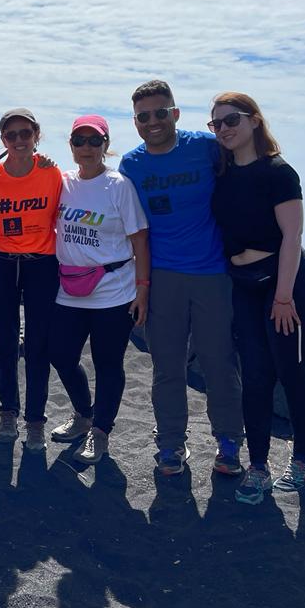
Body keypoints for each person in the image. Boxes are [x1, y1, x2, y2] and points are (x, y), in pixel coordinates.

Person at [119, 80, 244, 477]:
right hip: (162, 278)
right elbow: (123, 222)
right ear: (135, 122)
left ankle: (229, 442)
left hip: (212, 274)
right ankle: (171, 443)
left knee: (219, 363)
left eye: (160, 112)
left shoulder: (206, 147)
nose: (152, 121)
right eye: (143, 116)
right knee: (167, 367)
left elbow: (248, 173)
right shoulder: (131, 165)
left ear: (175, 113)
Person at [208, 92, 305, 504]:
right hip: (245, 285)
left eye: (232, 120)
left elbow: (293, 236)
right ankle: (258, 467)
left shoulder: (278, 172)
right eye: (217, 123)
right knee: (256, 376)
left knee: (293, 372)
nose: (224, 128)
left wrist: (283, 297)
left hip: (290, 286)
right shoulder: (222, 174)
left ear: (255, 121)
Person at [48, 115, 150, 464]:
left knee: (108, 364)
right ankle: (83, 414)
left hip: (113, 292)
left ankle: (101, 431)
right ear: (71, 145)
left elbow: (140, 240)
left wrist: (142, 289)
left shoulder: (118, 186)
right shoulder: (62, 182)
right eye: (80, 140)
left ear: (106, 145)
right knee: (61, 355)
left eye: (95, 141)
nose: (87, 147)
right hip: (69, 290)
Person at [0, 109, 63, 451]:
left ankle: (36, 421)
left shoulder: (52, 173)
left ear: (36, 135)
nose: (18, 140)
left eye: (25, 133)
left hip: (42, 264)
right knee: (5, 343)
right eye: (11, 135)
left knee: (39, 344)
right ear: (3, 140)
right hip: (2, 263)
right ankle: (8, 412)